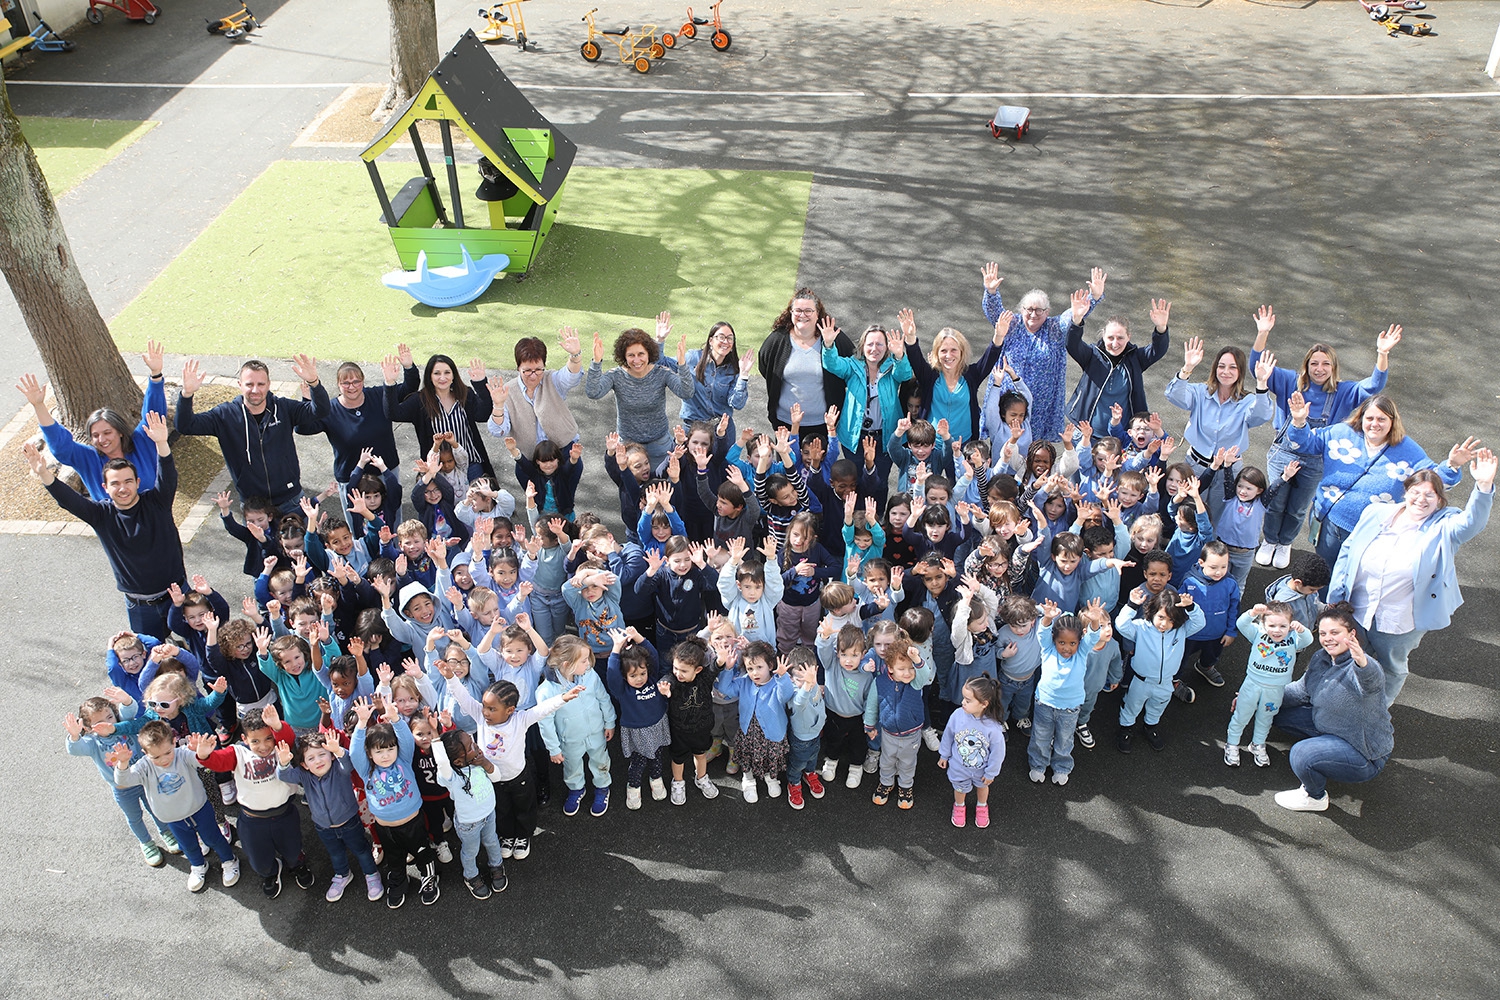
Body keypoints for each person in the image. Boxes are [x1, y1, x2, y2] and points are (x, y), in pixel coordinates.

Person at [1326, 451, 1494, 706]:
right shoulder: (1376, 512)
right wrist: (1335, 598)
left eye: (1430, 495)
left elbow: (1472, 523)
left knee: (1391, 667)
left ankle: (1378, 711)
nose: (1421, 499)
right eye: (1416, 492)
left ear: (1439, 500)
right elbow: (1348, 551)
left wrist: (1483, 486)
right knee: (1347, 656)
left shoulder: (1445, 526)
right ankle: (1340, 701)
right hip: (1357, 609)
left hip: (1399, 620)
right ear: (1405, 492)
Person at [1249, 306, 1398, 568]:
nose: (1319, 369)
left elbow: (1374, 385)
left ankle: (1285, 543)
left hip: (1317, 457)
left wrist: (1382, 353)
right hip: (1284, 452)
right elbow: (1257, 368)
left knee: (1297, 507)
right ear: (1306, 365)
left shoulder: (1344, 391)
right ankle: (1269, 540)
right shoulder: (1288, 381)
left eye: (1326, 363)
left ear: (1333, 367)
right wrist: (1262, 333)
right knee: (1276, 501)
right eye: (1314, 363)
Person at [26, 412, 185, 638]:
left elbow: (168, 474)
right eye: (115, 483)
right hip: (139, 606)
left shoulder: (157, 501)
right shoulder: (101, 515)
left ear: (137, 482)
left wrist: (161, 442)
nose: (123, 488)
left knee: (197, 647)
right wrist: (43, 473)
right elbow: (67, 499)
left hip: (178, 594)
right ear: (105, 487)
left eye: (128, 481)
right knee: (153, 658)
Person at [1283, 391, 1474, 575]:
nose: (1375, 424)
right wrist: (1299, 421)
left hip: (1375, 531)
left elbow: (1431, 479)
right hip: (1331, 523)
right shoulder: (1340, 433)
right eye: (1370, 418)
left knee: (1360, 576)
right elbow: (1305, 443)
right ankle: (1325, 606)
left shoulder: (1408, 450)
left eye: (1382, 419)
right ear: (1361, 418)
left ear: (1392, 421)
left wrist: (1452, 465)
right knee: (1326, 570)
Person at [1271, 605, 1394, 812]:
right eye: (1323, 633)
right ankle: (1323, 750)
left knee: (1301, 754)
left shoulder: (1361, 666)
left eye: (1335, 633)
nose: (1328, 638)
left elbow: (1371, 682)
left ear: (1351, 634)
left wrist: (1362, 662)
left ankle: (1315, 796)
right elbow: (1302, 690)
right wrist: (1260, 698)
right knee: (1273, 711)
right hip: (1329, 725)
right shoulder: (1322, 657)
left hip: (1363, 751)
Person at [17, 338, 169, 501]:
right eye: (95, 435)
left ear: (120, 433)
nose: (102, 439)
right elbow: (61, 446)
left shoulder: (141, 444)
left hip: (156, 520)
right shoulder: (88, 459)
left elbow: (153, 417)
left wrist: (156, 375)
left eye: (107, 432)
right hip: (114, 525)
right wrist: (39, 405)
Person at [175, 355, 329, 513]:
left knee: (303, 539)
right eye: (249, 384)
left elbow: (321, 411)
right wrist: (186, 395)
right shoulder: (225, 416)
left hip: (291, 500)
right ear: (240, 385)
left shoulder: (283, 408)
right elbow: (185, 426)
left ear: (268, 384)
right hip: (254, 508)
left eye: (261, 384)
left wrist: (314, 383)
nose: (255, 390)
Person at [980, 263, 1106, 443]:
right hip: (1008, 400)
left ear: (1047, 312)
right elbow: (995, 313)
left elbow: (1075, 313)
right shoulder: (1012, 324)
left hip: (1041, 403)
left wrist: (1093, 297)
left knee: (1035, 449)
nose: (1033, 314)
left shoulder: (1054, 328)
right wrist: (991, 292)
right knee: (1003, 444)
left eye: (1039, 310)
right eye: (1029, 309)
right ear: (1021, 310)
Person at [108, 724, 240, 893]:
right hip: (172, 817)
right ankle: (198, 865)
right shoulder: (144, 766)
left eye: (167, 752)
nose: (163, 759)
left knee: (213, 838)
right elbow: (124, 781)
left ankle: (229, 860)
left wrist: (202, 752)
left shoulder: (182, 754)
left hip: (198, 808)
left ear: (174, 743)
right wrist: (123, 764)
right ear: (145, 753)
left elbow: (198, 760)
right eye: (156, 756)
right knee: (188, 845)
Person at [1164, 338, 1276, 523]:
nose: (1226, 372)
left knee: (1217, 518)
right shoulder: (1200, 392)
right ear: (1215, 368)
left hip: (1227, 471)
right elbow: (1173, 395)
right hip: (1196, 466)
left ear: (1240, 372)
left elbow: (1262, 415)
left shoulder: (1246, 401)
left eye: (1232, 367)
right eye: (1221, 366)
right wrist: (1187, 368)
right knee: (1187, 515)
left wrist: (1262, 383)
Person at [586, 316, 696, 468]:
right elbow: (593, 392)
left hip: (660, 443)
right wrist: (596, 362)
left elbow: (687, 392)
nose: (636, 360)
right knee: (632, 488)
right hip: (629, 446)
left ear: (649, 353)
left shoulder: (661, 372)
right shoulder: (616, 375)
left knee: (662, 485)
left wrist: (682, 364)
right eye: (631, 355)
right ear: (624, 357)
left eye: (641, 354)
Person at [821, 320, 913, 484]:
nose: (874, 349)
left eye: (880, 344)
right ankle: (855, 510)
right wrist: (828, 345)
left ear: (886, 347)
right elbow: (832, 364)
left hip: (884, 438)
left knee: (879, 482)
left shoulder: (892, 367)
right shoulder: (852, 365)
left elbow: (905, 375)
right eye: (870, 344)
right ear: (863, 346)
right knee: (854, 481)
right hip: (856, 437)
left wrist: (900, 355)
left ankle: (877, 510)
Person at [319, 345, 420, 495]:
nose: (351, 387)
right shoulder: (330, 410)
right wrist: (310, 398)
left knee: (392, 516)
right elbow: (304, 428)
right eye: (345, 383)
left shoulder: (378, 395)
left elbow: (408, 390)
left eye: (356, 381)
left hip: (386, 472)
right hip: (352, 479)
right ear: (338, 384)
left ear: (363, 381)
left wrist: (408, 367)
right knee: (355, 519)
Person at [1066, 298, 1173, 437]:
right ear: (1103, 336)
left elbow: (1157, 350)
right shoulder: (1092, 355)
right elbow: (1072, 344)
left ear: (1129, 337)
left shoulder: (1135, 358)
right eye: (1110, 338)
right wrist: (1077, 320)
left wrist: (1161, 328)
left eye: (1120, 338)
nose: (1115, 343)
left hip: (1121, 435)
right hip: (1085, 432)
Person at [897, 308, 1004, 446]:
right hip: (932, 443)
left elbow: (989, 358)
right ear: (937, 353)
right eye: (943, 351)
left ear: (961, 351)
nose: (948, 356)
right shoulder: (930, 376)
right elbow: (915, 357)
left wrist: (999, 336)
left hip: (962, 443)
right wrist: (910, 337)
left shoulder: (971, 375)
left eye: (954, 350)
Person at [1225, 602, 1313, 768]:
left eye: (1283, 626)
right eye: (1271, 625)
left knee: (1266, 717)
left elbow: (1308, 640)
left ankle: (1258, 744)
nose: (1277, 630)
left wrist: (1302, 630)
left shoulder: (1293, 638)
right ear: (1263, 624)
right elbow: (1241, 624)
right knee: (1242, 715)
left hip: (1276, 689)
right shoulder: (1257, 632)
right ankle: (1232, 743)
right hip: (1252, 684)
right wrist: (1252, 612)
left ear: (1290, 625)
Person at [758, 287, 855, 434]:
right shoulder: (777, 340)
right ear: (791, 313)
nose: (802, 315)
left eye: (808, 311)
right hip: (785, 423)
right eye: (797, 310)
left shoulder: (832, 337)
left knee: (821, 458)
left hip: (824, 423)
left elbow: (853, 364)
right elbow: (765, 366)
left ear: (818, 314)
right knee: (786, 458)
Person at [389, 354, 496, 484]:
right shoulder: (420, 401)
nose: (442, 377)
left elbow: (483, 415)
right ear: (430, 376)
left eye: (447, 372)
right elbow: (394, 413)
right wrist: (390, 383)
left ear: (453, 375)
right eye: (437, 373)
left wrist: (480, 384)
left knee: (478, 502)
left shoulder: (465, 395)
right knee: (445, 504)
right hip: (439, 468)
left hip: (470, 463)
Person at [488, 328, 585, 459]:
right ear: (518, 368)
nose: (533, 376)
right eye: (527, 371)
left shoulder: (552, 379)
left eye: (538, 369)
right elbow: (498, 431)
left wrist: (575, 355)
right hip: (530, 457)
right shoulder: (507, 391)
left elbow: (571, 376)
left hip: (563, 450)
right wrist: (498, 405)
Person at [677, 321, 754, 438]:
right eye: (721, 337)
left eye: (730, 338)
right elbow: (663, 362)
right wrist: (660, 340)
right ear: (711, 340)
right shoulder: (692, 358)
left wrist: (743, 375)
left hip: (721, 430)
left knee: (724, 457)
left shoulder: (734, 369)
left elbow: (737, 404)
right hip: (693, 430)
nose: (725, 342)